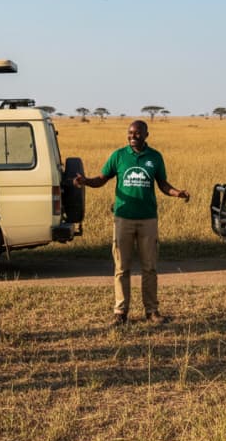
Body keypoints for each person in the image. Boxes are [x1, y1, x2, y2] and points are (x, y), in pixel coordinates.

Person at [74, 120, 190, 326]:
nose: (133, 136)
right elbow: (102, 178)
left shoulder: (155, 157)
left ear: (147, 134)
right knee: (121, 267)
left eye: (137, 133)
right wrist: (86, 181)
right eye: (130, 133)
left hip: (148, 219)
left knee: (149, 267)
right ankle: (120, 312)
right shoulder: (119, 156)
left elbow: (162, 184)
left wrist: (177, 193)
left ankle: (152, 311)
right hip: (123, 218)